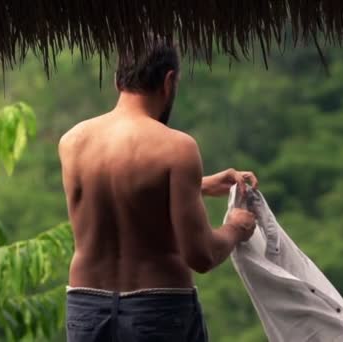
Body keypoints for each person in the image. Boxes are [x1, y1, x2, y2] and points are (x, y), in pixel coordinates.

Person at [58, 38, 259, 342]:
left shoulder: (73, 141)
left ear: (117, 80)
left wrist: (199, 185)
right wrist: (235, 228)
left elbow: (116, 192)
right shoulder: (176, 148)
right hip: (158, 311)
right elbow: (201, 255)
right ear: (168, 81)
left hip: (87, 308)